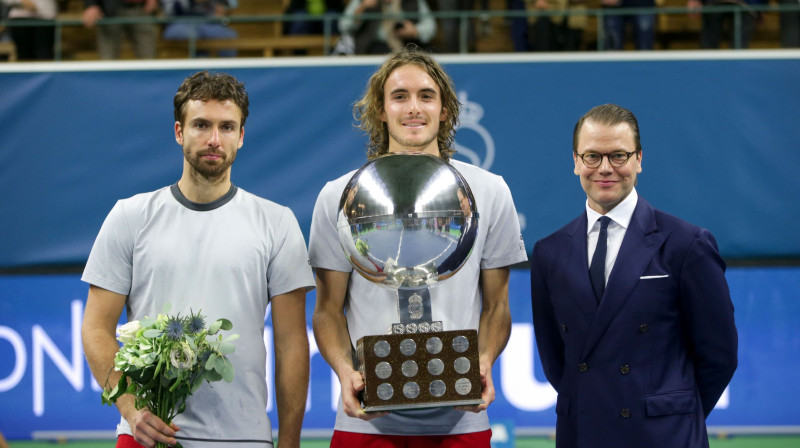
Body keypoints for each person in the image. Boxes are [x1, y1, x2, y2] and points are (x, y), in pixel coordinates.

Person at [309, 45, 528, 447]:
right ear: (380, 109)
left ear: (445, 110)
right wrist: (346, 372)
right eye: (400, 96)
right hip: (367, 423)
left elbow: (497, 306)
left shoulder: (490, 192)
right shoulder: (336, 196)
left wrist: (482, 362)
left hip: (460, 423)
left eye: (426, 96)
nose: (414, 108)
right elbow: (327, 311)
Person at [81, 71, 314, 448]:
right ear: (179, 131)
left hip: (244, 437)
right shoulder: (130, 216)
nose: (213, 139)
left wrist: (289, 442)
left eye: (226, 127)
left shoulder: (277, 222)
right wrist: (132, 410)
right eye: (201, 125)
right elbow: (95, 327)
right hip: (147, 435)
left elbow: (291, 344)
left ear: (241, 135)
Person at [530, 103, 738, 447]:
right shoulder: (549, 252)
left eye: (618, 156)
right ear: (576, 162)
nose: (605, 169)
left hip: (664, 436)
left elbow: (719, 354)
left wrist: (675, 414)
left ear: (639, 159)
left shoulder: (687, 244)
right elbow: (556, 360)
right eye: (593, 156)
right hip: (583, 433)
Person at [338, 0, 437, 54]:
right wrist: (362, 8)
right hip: (372, 50)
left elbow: (431, 27)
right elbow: (344, 26)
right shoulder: (363, 1)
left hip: (407, 48)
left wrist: (415, 31)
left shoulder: (413, 1)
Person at [82, 0, 158, 59]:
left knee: (148, 59)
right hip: (110, 11)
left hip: (142, 9)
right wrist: (91, 4)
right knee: (108, 60)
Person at [161, 0, 238, 57]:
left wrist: (222, 9)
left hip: (208, 22)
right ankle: (198, 72)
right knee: (192, 36)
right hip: (179, 22)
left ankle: (225, 74)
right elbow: (169, 10)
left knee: (229, 35)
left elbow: (231, 4)